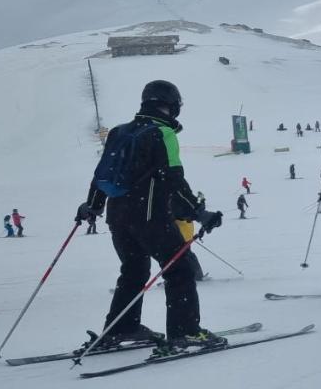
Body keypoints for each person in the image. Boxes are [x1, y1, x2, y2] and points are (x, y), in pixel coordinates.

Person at [77, 80, 225, 355]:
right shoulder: (162, 133)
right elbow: (173, 180)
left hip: (117, 217)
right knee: (178, 270)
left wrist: (93, 206)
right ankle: (185, 333)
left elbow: (102, 173)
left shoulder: (119, 132)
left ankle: (121, 328)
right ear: (172, 105)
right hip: (149, 216)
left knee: (133, 271)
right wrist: (199, 212)